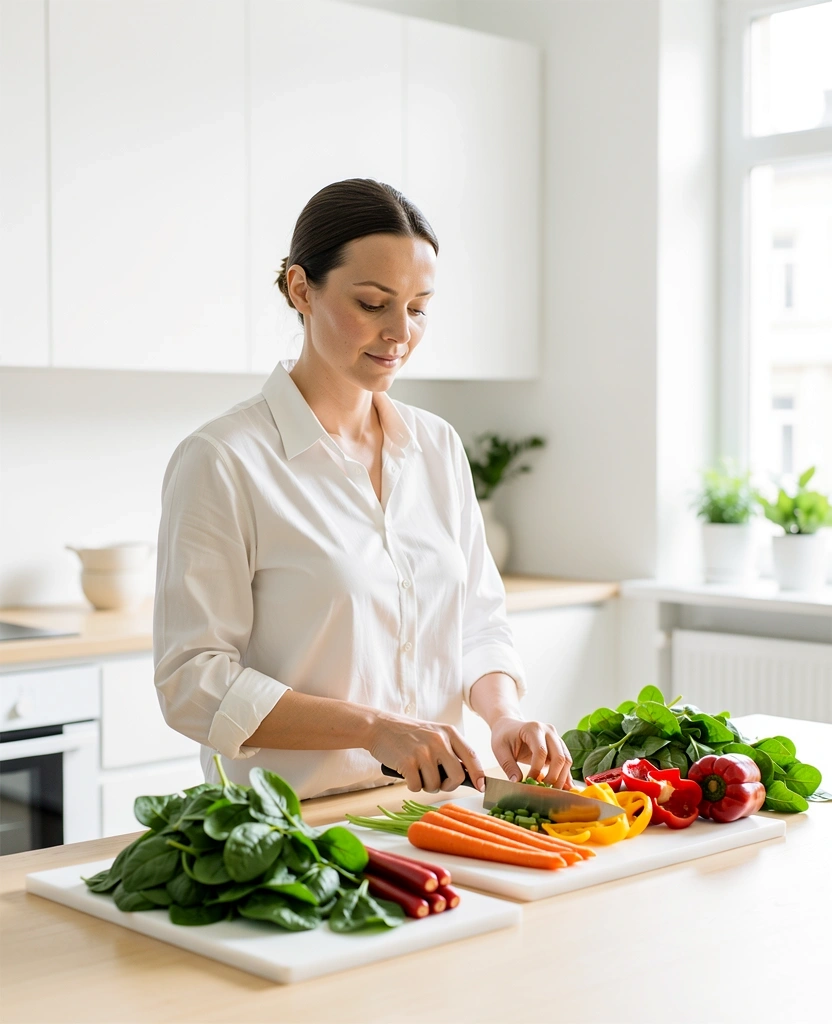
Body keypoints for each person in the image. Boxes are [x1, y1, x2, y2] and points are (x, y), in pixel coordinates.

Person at [153, 178, 572, 800]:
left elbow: (478, 622)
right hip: (290, 829)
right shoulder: (223, 460)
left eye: (419, 306)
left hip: (433, 814)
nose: (400, 331)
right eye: (374, 304)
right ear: (302, 289)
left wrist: (503, 715)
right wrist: (375, 729)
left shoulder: (436, 448)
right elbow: (194, 682)